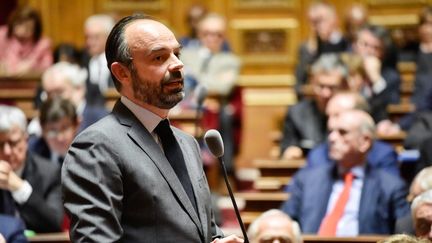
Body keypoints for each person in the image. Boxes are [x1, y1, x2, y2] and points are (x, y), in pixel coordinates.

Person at [62, 14, 243, 242]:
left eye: (177, 54)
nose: (177, 64)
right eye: (159, 57)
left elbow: (201, 230)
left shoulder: (187, 144)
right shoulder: (96, 147)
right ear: (122, 73)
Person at [281, 110, 410, 236]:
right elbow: (284, 222)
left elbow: (404, 235)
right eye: (330, 132)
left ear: (364, 142)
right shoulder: (306, 180)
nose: (332, 138)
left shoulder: (390, 187)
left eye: (342, 132)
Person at [0, 105, 63, 233]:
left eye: (13, 143)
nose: (6, 151)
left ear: (26, 139)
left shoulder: (50, 173)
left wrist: (20, 188)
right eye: (0, 144)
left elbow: (54, 224)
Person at [306, 92, 399, 176]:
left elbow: (389, 191)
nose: (331, 123)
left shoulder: (382, 155)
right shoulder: (317, 155)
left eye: (337, 115)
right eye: (328, 116)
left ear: (361, 115)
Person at [280, 54, 347, 159]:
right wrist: (290, 152)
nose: (326, 93)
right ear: (312, 83)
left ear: (343, 86)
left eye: (332, 87)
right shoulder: (296, 113)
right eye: (321, 86)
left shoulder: (353, 114)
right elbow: (286, 149)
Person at [28, 61, 108, 136]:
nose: (54, 98)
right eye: (49, 94)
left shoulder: (102, 119)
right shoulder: (40, 123)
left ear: (78, 89)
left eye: (59, 92)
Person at [294, 2, 348, 98]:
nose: (315, 27)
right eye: (312, 22)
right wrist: (311, 51)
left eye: (320, 21)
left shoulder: (347, 43)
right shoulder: (306, 48)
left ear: (334, 19)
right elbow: (298, 86)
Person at [0, 5, 52, 76]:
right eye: (19, 24)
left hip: (30, 83)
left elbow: (47, 68)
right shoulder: (2, 35)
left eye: (28, 27)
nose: (22, 30)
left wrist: (31, 67)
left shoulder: (43, 44)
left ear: (35, 30)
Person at [28, 97, 80, 165]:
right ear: (42, 129)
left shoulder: (89, 152)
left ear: (76, 125)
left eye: (65, 128)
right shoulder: (32, 152)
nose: (60, 138)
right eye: (52, 130)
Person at [81, 14, 116, 106]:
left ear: (108, 37)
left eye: (95, 37)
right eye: (87, 37)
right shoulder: (82, 60)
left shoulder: (117, 60)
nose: (89, 42)